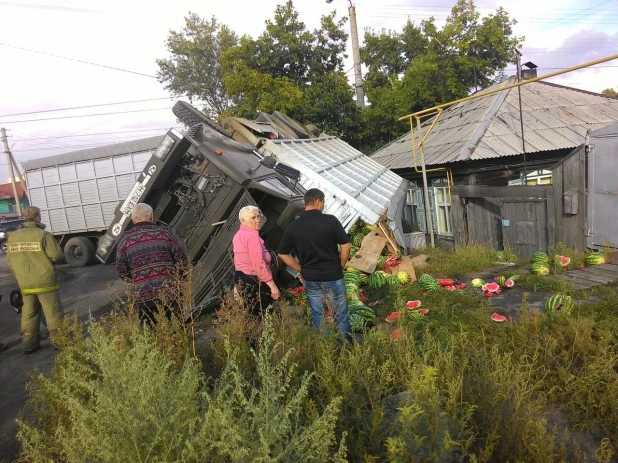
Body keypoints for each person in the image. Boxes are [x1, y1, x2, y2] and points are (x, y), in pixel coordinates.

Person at [278, 188, 352, 341]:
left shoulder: (293, 226)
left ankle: (326, 348)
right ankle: (346, 349)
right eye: (323, 202)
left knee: (318, 314)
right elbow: (346, 245)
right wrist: (341, 265)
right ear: (318, 201)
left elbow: (282, 254)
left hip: (311, 278)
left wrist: (300, 269)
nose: (323, 205)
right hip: (332, 275)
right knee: (340, 314)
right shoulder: (330, 220)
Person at [116, 203, 189, 325]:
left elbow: (122, 270)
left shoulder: (124, 240)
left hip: (142, 295)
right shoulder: (166, 234)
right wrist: (179, 279)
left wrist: (136, 280)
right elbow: (181, 261)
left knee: (150, 333)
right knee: (176, 329)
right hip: (170, 292)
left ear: (133, 219)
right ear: (152, 216)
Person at [6, 206, 64, 354]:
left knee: (29, 314)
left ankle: (29, 345)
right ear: (38, 218)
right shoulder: (43, 235)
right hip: (45, 282)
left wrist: (20, 277)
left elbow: (10, 262)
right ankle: (60, 341)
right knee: (52, 312)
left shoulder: (13, 237)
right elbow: (57, 256)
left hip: (25, 284)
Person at [232, 206, 280, 315]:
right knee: (266, 314)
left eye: (258, 216)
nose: (258, 220)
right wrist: (272, 286)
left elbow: (237, 259)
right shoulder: (251, 237)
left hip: (241, 277)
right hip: (254, 280)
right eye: (253, 218)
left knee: (252, 313)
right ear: (243, 220)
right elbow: (259, 264)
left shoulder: (238, 235)